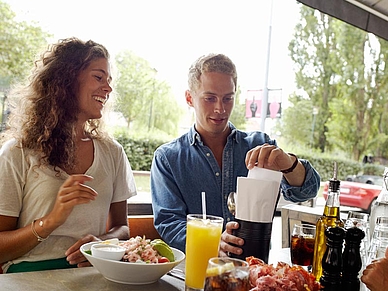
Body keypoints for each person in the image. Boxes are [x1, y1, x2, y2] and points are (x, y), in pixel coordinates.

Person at [150, 53, 321, 255]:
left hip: (256, 272)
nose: (220, 108)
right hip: (202, 271)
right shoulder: (168, 159)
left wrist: (287, 163)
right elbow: (169, 223)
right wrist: (214, 241)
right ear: (190, 98)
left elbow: (308, 190)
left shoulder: (261, 145)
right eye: (210, 98)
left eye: (228, 98)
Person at [0, 37, 136, 273]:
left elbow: (122, 228)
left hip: (92, 273)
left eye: (109, 80)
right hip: (29, 275)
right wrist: (51, 220)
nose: (108, 88)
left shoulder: (113, 152)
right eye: (98, 77)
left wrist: (102, 244)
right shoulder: (17, 152)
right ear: (66, 80)